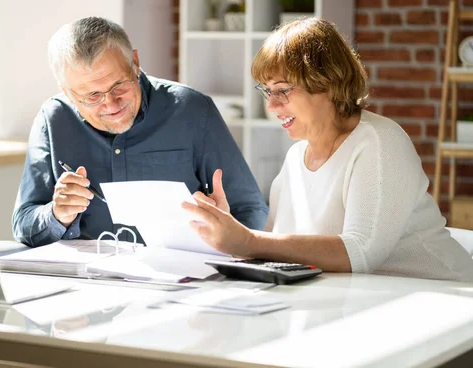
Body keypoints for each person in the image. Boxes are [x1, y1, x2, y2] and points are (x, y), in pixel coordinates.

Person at [183, 17, 473, 282]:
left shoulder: (379, 141)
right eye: (266, 91)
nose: (271, 106)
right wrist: (225, 231)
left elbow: (360, 252)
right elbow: (274, 247)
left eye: (282, 90)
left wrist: (247, 240)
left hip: (446, 303)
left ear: (328, 83)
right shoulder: (295, 159)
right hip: (369, 305)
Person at [13, 17, 268, 247]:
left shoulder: (192, 111)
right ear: (67, 92)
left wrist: (225, 238)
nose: (111, 104)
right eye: (92, 96)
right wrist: (57, 215)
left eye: (119, 85)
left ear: (135, 62)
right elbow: (23, 224)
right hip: (88, 283)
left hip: (183, 282)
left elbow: (252, 210)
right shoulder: (53, 119)